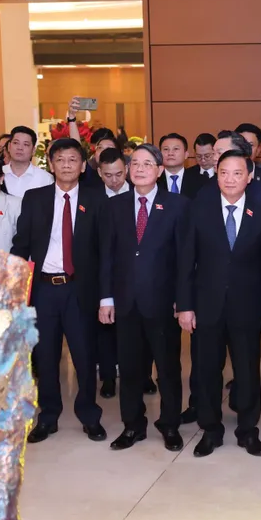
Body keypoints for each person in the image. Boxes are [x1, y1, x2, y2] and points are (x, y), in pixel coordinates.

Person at [176, 150, 261, 458]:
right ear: (216, 175)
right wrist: (184, 305)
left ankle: (248, 430)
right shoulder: (199, 211)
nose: (230, 179)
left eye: (237, 173)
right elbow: (185, 263)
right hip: (206, 306)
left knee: (247, 371)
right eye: (224, 172)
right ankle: (211, 429)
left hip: (247, 308)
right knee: (207, 370)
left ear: (249, 177)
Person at [11, 137, 107, 444]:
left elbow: (105, 251)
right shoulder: (34, 197)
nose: (66, 165)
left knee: (84, 355)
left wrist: (106, 295)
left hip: (79, 289)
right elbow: (21, 245)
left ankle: (90, 415)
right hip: (43, 290)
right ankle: (48, 416)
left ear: (82, 166)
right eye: (60, 160)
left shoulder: (97, 199)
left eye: (72, 160)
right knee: (46, 355)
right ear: (50, 165)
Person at [98, 144, 189, 453]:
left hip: (163, 304)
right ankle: (132, 425)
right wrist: (106, 299)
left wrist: (183, 299)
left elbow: (184, 258)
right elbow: (106, 257)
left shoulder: (177, 205)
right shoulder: (114, 206)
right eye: (134, 163)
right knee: (132, 370)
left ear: (160, 170)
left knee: (168, 369)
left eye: (147, 163)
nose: (139, 169)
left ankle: (170, 424)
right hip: (125, 302)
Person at [95, 147, 157, 401]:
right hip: (117, 287)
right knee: (115, 340)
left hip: (153, 292)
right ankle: (110, 379)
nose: (115, 179)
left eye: (120, 173)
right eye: (137, 165)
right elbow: (104, 250)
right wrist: (105, 295)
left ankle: (146, 377)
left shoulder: (167, 203)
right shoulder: (103, 203)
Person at [3, 126, 54, 199]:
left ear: (33, 150)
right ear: (9, 147)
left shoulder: (46, 178)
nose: (20, 148)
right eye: (16, 143)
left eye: (26, 144)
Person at [157, 133, 204, 199]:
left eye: (176, 149)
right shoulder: (153, 181)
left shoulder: (201, 181)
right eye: (166, 149)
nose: (170, 153)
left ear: (186, 154)